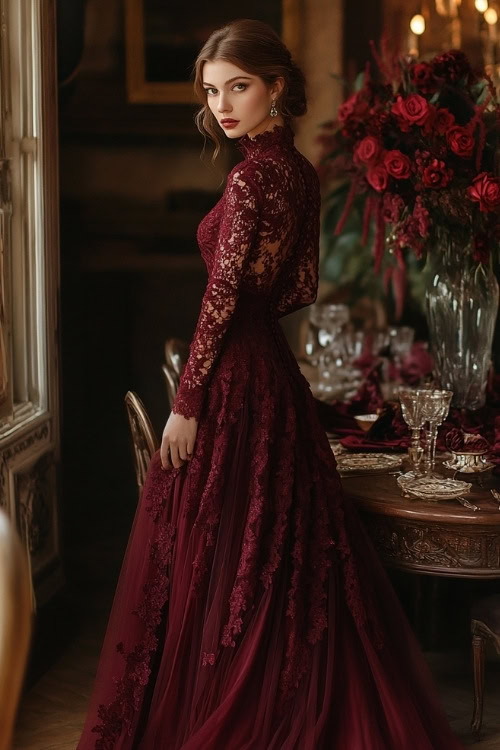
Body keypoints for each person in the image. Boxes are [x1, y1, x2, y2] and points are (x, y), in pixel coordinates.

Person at [77, 19, 465, 750]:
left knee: (227, 547)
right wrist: (248, 319)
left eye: (239, 87)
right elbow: (301, 287)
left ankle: (236, 700)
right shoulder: (299, 172)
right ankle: (274, 688)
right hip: (270, 373)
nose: (223, 105)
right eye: (213, 91)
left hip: (231, 376)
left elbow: (219, 298)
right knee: (269, 549)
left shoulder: (251, 177)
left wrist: (187, 402)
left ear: (276, 86)